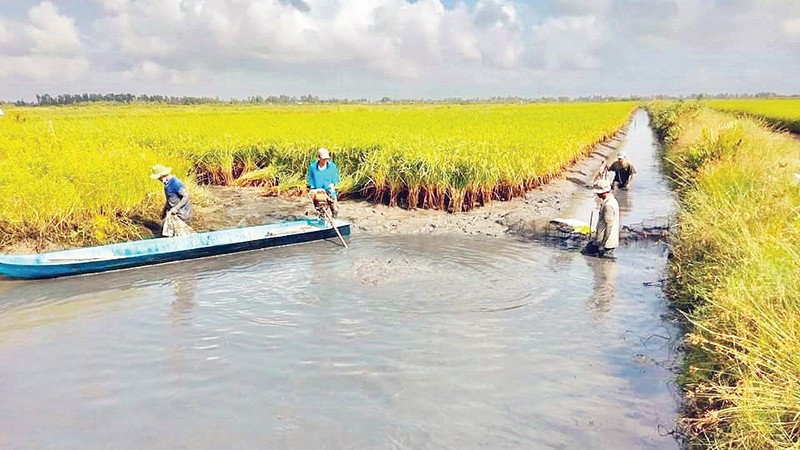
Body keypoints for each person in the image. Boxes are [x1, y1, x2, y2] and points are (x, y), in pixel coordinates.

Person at [585, 179, 619, 259]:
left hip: (606, 243)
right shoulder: (612, 201)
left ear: (603, 193)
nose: (597, 194)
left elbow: (609, 225)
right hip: (604, 241)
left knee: (602, 263)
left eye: (598, 193)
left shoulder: (608, 205)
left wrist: (602, 244)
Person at [307, 147, 340, 218]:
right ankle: (322, 222)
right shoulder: (313, 167)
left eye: (326, 159)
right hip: (319, 193)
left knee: (335, 210)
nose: (325, 160)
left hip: (330, 191)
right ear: (319, 157)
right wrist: (312, 188)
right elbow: (310, 180)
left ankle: (334, 220)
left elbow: (336, 178)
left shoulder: (332, 166)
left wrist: (333, 184)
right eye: (323, 158)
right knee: (321, 212)